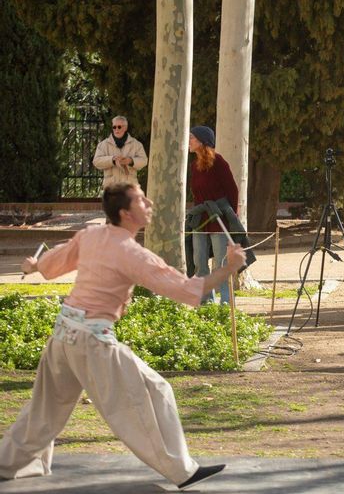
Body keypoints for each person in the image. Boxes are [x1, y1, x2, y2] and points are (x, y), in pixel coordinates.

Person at [0, 183, 240, 490]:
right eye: (141, 199)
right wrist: (227, 268)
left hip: (64, 336)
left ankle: (6, 463)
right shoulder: (132, 254)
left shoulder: (92, 236)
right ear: (127, 214)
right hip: (92, 343)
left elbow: (54, 261)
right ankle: (182, 471)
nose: (149, 202)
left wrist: (36, 266)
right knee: (149, 396)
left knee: (44, 411)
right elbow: (185, 289)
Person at [187, 126, 238, 305]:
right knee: (199, 261)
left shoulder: (219, 162)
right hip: (200, 220)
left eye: (192, 138)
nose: (189, 141)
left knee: (220, 264)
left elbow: (232, 191)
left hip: (219, 220)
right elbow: (196, 195)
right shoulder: (193, 165)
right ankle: (206, 302)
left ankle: (226, 304)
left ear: (202, 141)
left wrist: (231, 219)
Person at [92, 115, 148, 189]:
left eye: (119, 127)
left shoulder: (136, 144)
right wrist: (112, 160)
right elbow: (96, 162)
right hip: (111, 188)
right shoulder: (103, 144)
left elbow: (144, 161)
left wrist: (131, 161)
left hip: (130, 187)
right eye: (114, 127)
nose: (116, 129)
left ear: (125, 128)